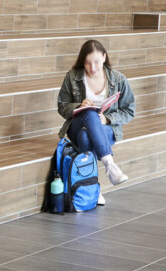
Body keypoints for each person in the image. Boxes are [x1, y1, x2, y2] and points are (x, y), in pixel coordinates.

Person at [55, 39, 135, 186]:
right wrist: (79, 106)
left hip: (107, 129)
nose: (92, 68)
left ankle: (92, 186)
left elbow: (129, 110)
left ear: (104, 57)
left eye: (97, 62)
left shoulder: (119, 79)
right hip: (77, 125)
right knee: (90, 113)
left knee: (85, 138)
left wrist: (107, 119)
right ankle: (110, 165)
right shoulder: (72, 77)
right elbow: (62, 106)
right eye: (87, 63)